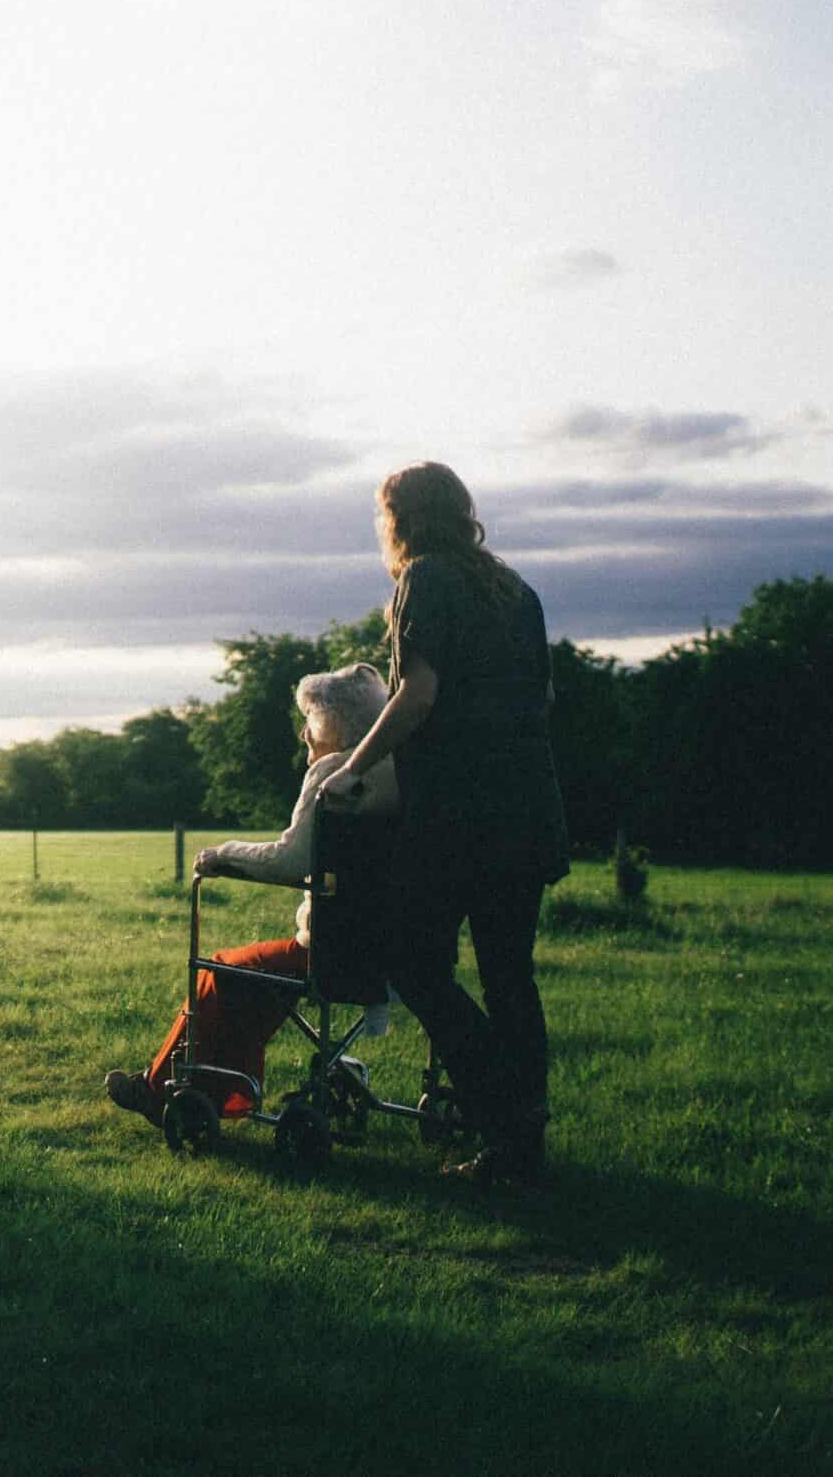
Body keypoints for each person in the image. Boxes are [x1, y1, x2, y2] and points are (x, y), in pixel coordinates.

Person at [320, 461, 568, 1185]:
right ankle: (522, 1141)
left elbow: (417, 693)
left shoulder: (423, 580)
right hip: (528, 809)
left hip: (461, 818)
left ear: (401, 518)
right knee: (509, 976)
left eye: (383, 515)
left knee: (412, 961)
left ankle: (501, 1109)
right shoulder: (515, 590)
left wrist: (353, 767)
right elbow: (543, 698)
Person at [104, 663, 398, 1128]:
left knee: (221, 970)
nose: (303, 732)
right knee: (254, 978)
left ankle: (160, 1089)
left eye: (310, 719)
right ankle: (215, 1091)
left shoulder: (333, 772)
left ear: (336, 723)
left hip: (333, 951)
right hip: (392, 950)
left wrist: (223, 854)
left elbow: (289, 860)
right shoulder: (396, 772)